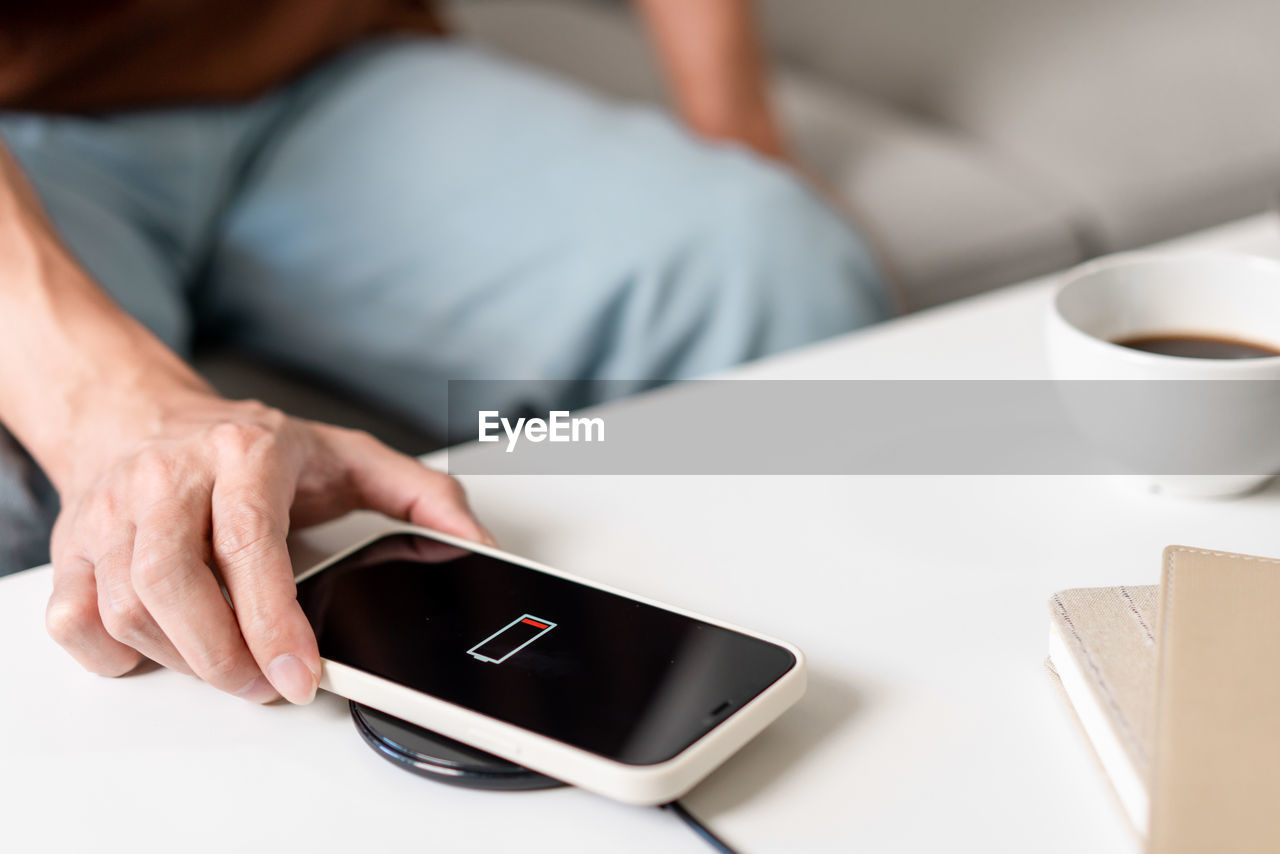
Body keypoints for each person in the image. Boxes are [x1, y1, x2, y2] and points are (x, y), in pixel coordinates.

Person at [0, 0, 888, 705]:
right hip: (25, 127)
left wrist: (734, 127)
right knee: (83, 533)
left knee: (769, 268)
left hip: (318, 60)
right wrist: (110, 408)